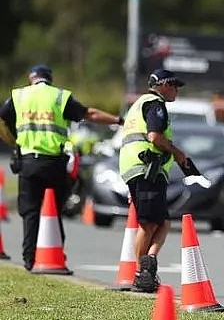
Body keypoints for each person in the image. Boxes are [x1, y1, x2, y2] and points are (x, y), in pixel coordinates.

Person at [0, 64, 123, 272]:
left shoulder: (19, 96)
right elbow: (89, 114)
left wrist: (13, 141)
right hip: (53, 164)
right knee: (54, 211)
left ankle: (29, 259)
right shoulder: (59, 96)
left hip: (28, 163)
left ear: (31, 78)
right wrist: (118, 120)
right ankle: (54, 255)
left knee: (30, 213)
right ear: (50, 78)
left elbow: (2, 119)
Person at [118, 68, 188, 293]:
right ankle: (142, 274)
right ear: (162, 85)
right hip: (145, 168)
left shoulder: (141, 104)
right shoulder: (154, 104)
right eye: (173, 85)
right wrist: (176, 152)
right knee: (148, 224)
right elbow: (154, 137)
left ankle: (148, 263)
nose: (176, 90)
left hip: (142, 169)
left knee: (163, 222)